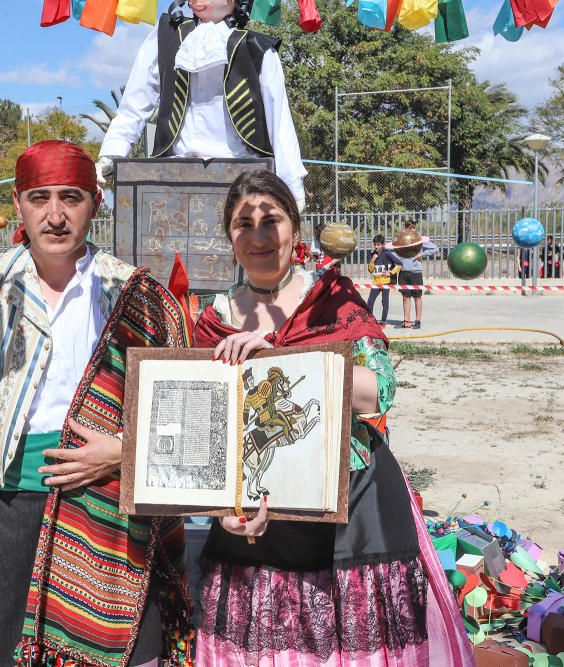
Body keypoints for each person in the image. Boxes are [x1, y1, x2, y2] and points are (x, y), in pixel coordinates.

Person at [192, 170, 473, 665]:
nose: (258, 235)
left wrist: (278, 364)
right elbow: (205, 434)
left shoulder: (333, 300)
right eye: (243, 224)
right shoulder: (212, 321)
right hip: (255, 527)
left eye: (271, 221)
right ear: (229, 235)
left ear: (295, 230)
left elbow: (378, 393)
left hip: (356, 512)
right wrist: (221, 511)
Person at [0, 140, 194, 667]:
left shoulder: (132, 293)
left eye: (71, 198)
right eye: (40, 198)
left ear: (95, 203)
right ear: (18, 204)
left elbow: (178, 408)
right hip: (16, 505)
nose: (55, 215)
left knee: (125, 653)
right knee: (14, 651)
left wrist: (124, 453)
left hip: (112, 507)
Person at [96, 0, 307, 209]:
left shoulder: (259, 49)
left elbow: (280, 124)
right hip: (173, 177)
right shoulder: (165, 36)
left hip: (242, 180)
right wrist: (110, 155)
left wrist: (293, 189)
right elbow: (134, 105)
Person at [391, 221, 438, 329]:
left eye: (413, 228)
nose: (412, 229)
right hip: (403, 272)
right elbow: (392, 251)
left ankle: (417, 321)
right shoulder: (401, 240)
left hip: (415, 272)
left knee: (417, 297)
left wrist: (423, 254)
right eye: (409, 227)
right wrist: (399, 260)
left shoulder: (419, 240)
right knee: (405, 298)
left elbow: (435, 248)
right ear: (406, 228)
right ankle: (406, 321)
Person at [366, 233, 400, 325]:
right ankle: (370, 320)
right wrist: (373, 260)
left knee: (384, 301)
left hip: (386, 282)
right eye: (375, 244)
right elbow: (370, 269)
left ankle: (383, 321)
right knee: (370, 301)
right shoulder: (373, 254)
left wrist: (391, 272)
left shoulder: (387, 254)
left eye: (378, 244)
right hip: (376, 282)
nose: (376, 246)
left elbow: (400, 264)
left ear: (383, 245)